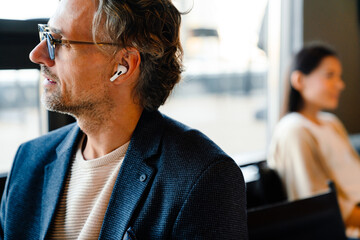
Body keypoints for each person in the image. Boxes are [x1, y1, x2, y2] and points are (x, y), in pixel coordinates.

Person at [0, 0, 248, 239]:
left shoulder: (201, 179)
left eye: (57, 41)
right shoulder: (29, 161)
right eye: (45, 34)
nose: (37, 54)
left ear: (123, 65)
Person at [268, 44, 360, 237]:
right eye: (330, 75)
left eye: (339, 76)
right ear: (300, 80)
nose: (340, 84)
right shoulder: (294, 130)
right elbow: (317, 200)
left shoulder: (331, 122)